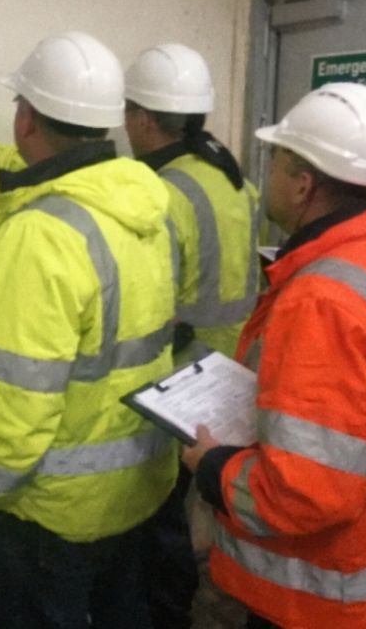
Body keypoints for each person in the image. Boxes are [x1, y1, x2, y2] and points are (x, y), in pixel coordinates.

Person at [0, 31, 179, 628]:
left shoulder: (39, 237)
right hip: (134, 493)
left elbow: (9, 403)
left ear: (26, 121)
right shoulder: (140, 206)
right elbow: (8, 171)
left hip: (48, 518)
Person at [182, 82, 366, 628]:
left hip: (338, 603)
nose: (265, 174)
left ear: (302, 185)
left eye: (275, 161)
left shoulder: (322, 299)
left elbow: (301, 495)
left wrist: (212, 468)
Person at [122, 43, 261, 628]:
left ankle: (167, 615)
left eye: (129, 110)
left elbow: (146, 299)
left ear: (145, 119)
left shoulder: (161, 192)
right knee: (196, 509)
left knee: (156, 518)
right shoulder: (233, 179)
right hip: (236, 376)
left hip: (182, 379)